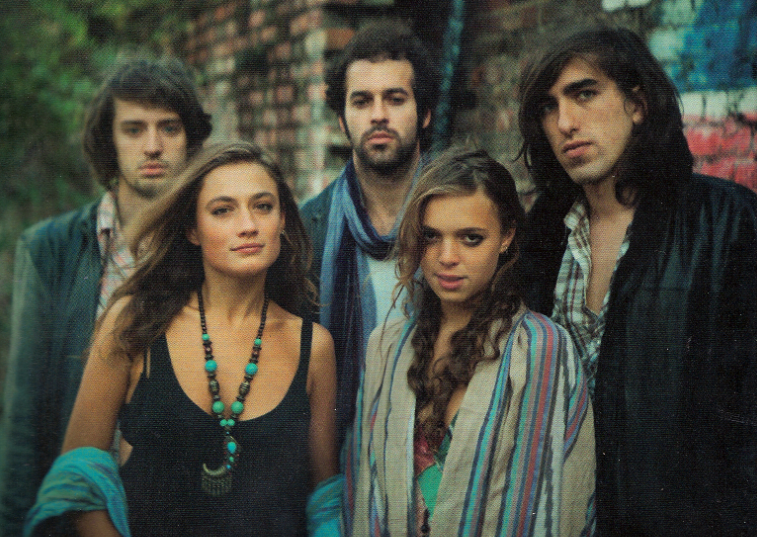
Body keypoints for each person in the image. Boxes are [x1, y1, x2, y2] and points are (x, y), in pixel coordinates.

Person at [24, 142, 338, 536]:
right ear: (192, 229)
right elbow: (76, 481)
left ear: (283, 220)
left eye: (263, 206)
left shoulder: (313, 346)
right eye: (222, 210)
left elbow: (326, 505)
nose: (248, 225)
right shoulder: (136, 323)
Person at [517, 27, 757, 535]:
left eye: (584, 94)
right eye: (548, 106)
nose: (565, 122)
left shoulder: (726, 224)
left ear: (638, 105)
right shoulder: (539, 239)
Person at [0, 57, 212, 536]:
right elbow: (24, 421)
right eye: (134, 129)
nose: (153, 146)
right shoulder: (50, 249)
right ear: (109, 142)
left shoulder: (211, 244)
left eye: (169, 128)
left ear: (190, 139)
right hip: (81, 512)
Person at [344, 148, 595, 537]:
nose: (447, 257)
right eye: (431, 236)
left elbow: (556, 506)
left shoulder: (540, 348)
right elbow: (365, 492)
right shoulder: (387, 348)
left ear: (506, 236)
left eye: (471, 238)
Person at [300, 20, 440, 445]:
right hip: (343, 455)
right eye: (361, 101)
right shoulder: (308, 230)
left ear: (425, 113)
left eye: (395, 99)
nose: (378, 115)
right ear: (342, 121)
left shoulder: (463, 218)